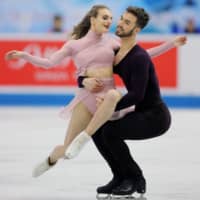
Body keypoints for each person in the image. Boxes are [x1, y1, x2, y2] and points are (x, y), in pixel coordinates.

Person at [5, 4, 185, 180]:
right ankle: (51, 159)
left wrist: (170, 44)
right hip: (86, 98)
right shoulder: (74, 45)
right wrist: (25, 56)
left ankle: (122, 175)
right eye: (104, 18)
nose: (109, 22)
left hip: (107, 100)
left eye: (111, 18)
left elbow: (142, 55)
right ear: (93, 19)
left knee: (109, 130)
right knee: (68, 150)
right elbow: (49, 63)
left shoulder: (113, 41)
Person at [78, 6, 187, 198]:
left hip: (156, 117)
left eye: (127, 22)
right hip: (140, 112)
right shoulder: (117, 53)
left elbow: (137, 95)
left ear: (136, 30)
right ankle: (119, 177)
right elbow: (91, 70)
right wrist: (83, 81)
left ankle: (135, 178)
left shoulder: (139, 57)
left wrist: (108, 108)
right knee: (97, 130)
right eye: (121, 18)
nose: (119, 23)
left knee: (111, 131)